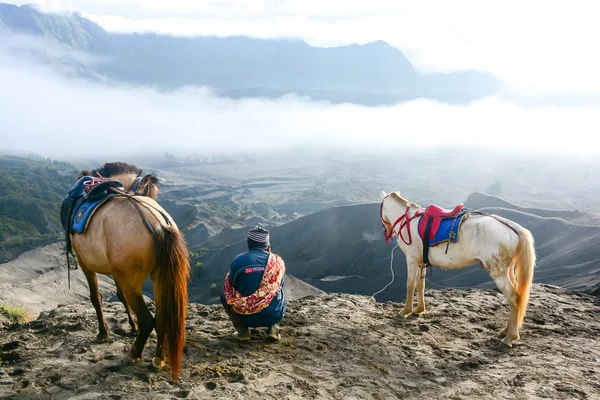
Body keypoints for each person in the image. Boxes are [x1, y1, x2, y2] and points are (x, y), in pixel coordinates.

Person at [221, 227, 287, 341]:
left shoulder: (238, 261)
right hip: (272, 314)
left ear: (249, 244)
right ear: (268, 246)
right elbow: (280, 284)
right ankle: (273, 330)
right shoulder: (277, 262)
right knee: (278, 290)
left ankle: (243, 332)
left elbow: (232, 286)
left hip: (244, 316)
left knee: (224, 296)